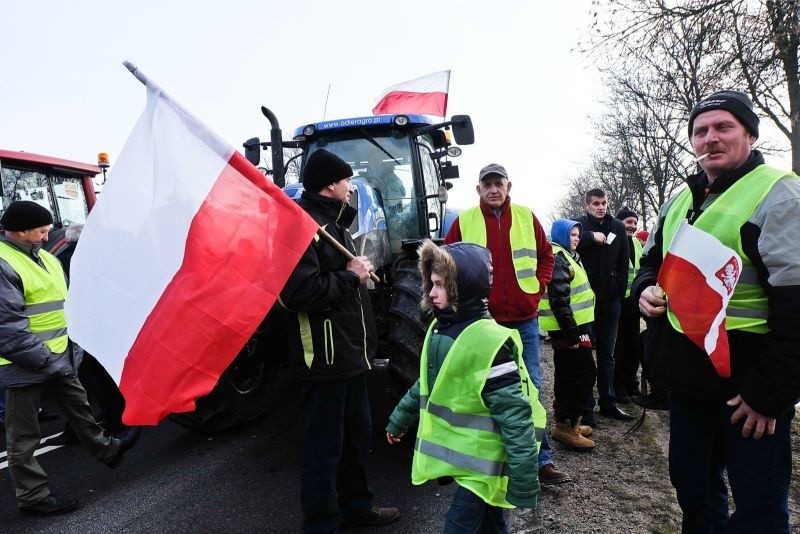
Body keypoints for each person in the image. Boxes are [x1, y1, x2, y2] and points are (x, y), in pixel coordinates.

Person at [633, 90, 800, 532]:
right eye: (700, 131)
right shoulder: (681, 197)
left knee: (758, 510)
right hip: (689, 383)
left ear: (749, 133)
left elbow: (797, 307)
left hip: (749, 389)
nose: (710, 138)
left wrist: (769, 396)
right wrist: (645, 289)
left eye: (723, 127)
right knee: (693, 493)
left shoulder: (779, 195)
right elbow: (651, 262)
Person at [386, 240, 543, 532]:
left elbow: (515, 414)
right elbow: (429, 381)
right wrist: (400, 418)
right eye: (430, 284)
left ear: (463, 287)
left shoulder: (488, 342)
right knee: (492, 524)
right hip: (473, 459)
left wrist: (524, 479)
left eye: (440, 285)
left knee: (458, 526)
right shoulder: (440, 328)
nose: (431, 293)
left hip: (488, 460)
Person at [280, 149, 399, 533]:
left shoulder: (335, 225)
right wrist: (351, 276)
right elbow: (299, 292)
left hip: (350, 356)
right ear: (331, 183)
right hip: (326, 359)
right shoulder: (303, 228)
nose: (351, 187)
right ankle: (321, 525)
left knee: (354, 440)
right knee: (325, 449)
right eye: (347, 180)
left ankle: (356, 507)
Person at [0, 201, 139, 517]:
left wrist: (67, 352)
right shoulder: (3, 263)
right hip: (25, 364)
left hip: (57, 356)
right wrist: (46, 359)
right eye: (43, 229)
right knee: (23, 438)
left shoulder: (45, 257)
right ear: (21, 231)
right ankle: (33, 497)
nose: (49, 234)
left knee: (81, 409)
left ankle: (108, 450)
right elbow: (6, 328)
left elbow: (63, 306)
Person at [445, 163, 570, 485]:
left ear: (508, 186)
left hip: (524, 320)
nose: (493, 189)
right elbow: (446, 264)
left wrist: (536, 290)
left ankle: (541, 462)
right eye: (487, 184)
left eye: (498, 183)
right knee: (486, 392)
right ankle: (494, 462)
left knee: (530, 390)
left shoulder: (528, 217)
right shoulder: (464, 221)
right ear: (478, 190)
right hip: (482, 323)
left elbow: (547, 256)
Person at [576, 189, 633, 423]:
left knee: (608, 355)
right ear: (587, 205)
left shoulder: (618, 227)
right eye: (596, 203)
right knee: (586, 356)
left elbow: (623, 262)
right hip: (585, 303)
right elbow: (564, 242)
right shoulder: (578, 226)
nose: (601, 207)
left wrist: (618, 293)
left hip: (611, 302)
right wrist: (592, 237)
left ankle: (608, 402)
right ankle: (586, 407)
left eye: (604, 203)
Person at [539, 219, 596, 450]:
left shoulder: (567, 256)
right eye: (572, 234)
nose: (576, 238)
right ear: (562, 235)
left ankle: (569, 422)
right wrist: (572, 335)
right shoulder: (558, 258)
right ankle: (566, 427)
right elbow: (559, 301)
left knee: (572, 375)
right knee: (578, 376)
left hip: (574, 328)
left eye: (577, 235)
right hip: (569, 330)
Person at [612, 206, 643, 404]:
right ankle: (618, 386)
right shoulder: (613, 243)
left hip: (634, 303)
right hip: (617, 302)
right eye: (628, 222)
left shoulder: (638, 245)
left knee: (634, 347)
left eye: (634, 222)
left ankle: (632, 384)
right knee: (619, 348)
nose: (632, 226)